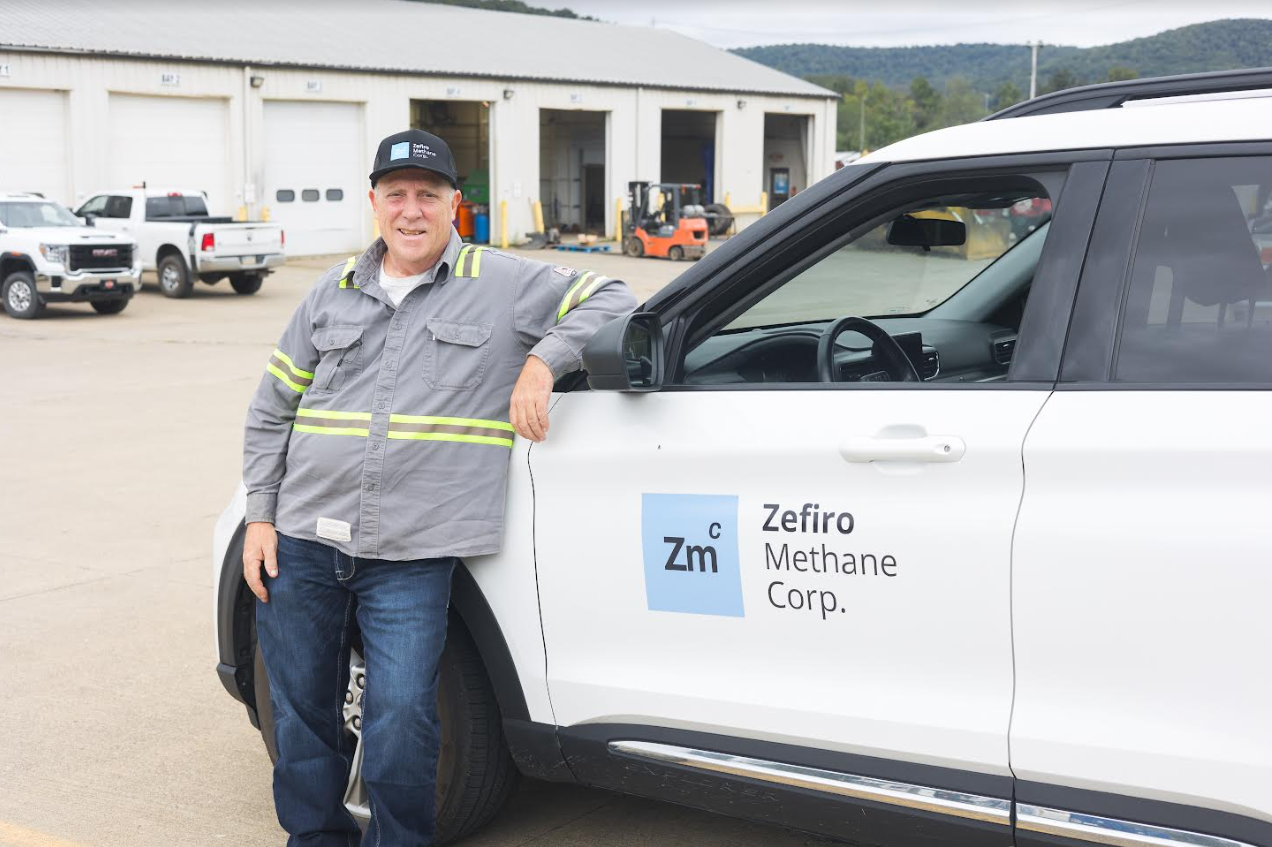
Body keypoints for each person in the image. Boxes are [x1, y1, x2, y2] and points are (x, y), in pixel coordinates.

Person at [240, 128, 636, 846]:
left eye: (429, 195)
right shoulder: (331, 291)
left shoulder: (503, 282)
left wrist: (542, 362)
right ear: (374, 204)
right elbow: (273, 409)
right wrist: (260, 517)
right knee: (299, 714)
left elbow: (612, 295)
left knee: (401, 721)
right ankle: (316, 837)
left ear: (456, 204)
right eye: (396, 194)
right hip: (300, 538)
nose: (412, 210)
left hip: (413, 553)